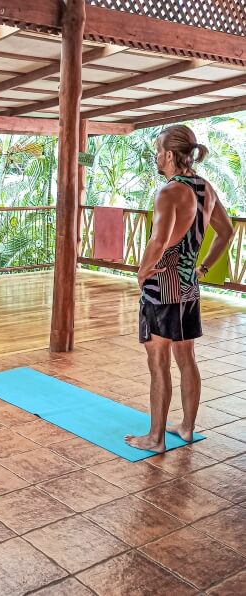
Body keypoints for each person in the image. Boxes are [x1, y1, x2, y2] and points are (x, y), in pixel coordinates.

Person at [125, 124, 234, 453]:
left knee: (157, 361)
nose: (157, 158)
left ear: (170, 155)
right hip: (188, 287)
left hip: (163, 287)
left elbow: (159, 240)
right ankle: (186, 428)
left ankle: (155, 438)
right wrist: (201, 268)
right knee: (186, 358)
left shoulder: (170, 192)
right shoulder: (205, 188)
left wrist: (141, 272)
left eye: (158, 151)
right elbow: (226, 233)